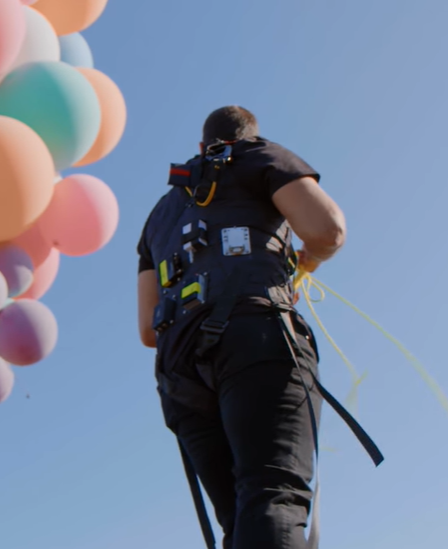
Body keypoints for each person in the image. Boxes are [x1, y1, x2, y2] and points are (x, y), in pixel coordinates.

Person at [136, 106, 382, 549]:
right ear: (249, 136)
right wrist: (307, 260)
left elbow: (147, 329)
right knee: (272, 498)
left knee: (241, 520)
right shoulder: (256, 156)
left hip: (178, 373)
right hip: (254, 336)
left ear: (200, 146)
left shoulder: (159, 215)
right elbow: (328, 231)